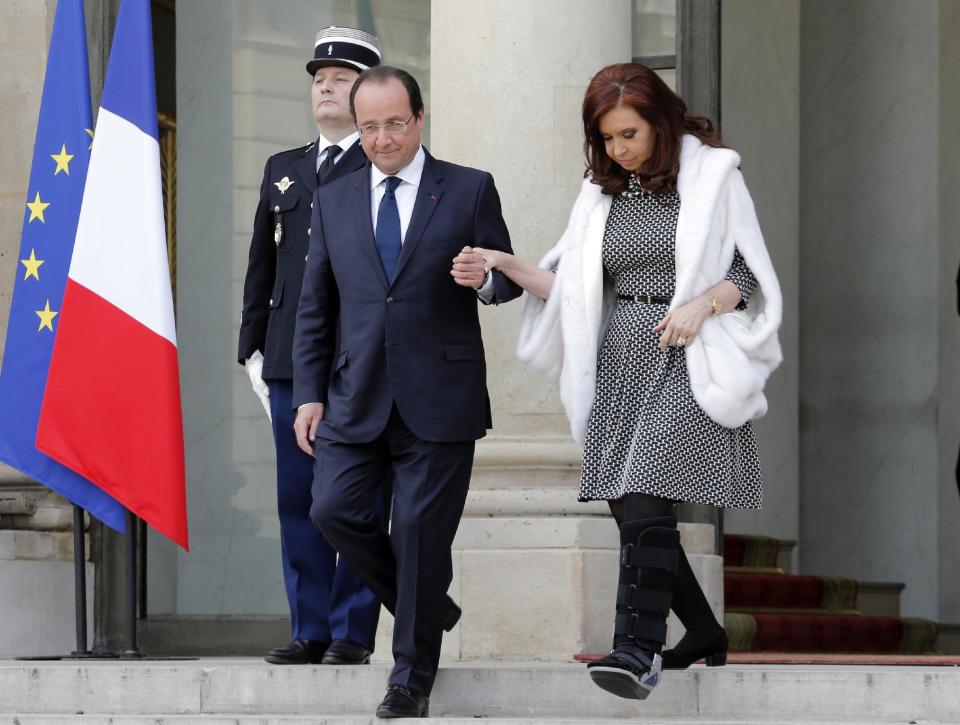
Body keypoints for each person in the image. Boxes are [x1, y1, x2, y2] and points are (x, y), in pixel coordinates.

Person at [454, 63, 782, 701]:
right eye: (606, 139)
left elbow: (750, 274)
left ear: (660, 121)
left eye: (628, 134)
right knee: (631, 509)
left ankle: (637, 650)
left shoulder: (714, 177)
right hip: (617, 361)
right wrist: (506, 263)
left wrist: (698, 305)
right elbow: (572, 287)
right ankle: (707, 633)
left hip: (688, 352)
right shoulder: (602, 192)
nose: (618, 150)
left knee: (650, 496)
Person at [292, 66, 522, 718]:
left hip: (439, 395)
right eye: (369, 127)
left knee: (420, 533)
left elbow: (503, 278)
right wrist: (308, 394)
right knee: (332, 509)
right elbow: (316, 305)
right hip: (353, 394)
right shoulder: (333, 198)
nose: (383, 138)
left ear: (419, 118)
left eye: (395, 123)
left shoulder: (468, 188)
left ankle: (410, 679)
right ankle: (430, 603)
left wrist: (485, 276)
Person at [237, 26, 387, 667]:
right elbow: (261, 267)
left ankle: (353, 632)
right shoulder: (284, 168)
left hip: (355, 362)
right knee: (296, 499)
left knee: (352, 499)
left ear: (368, 94)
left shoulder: (382, 163)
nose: (325, 84)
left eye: (342, 77)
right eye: (318, 77)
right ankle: (311, 628)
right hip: (288, 359)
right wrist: (252, 347)